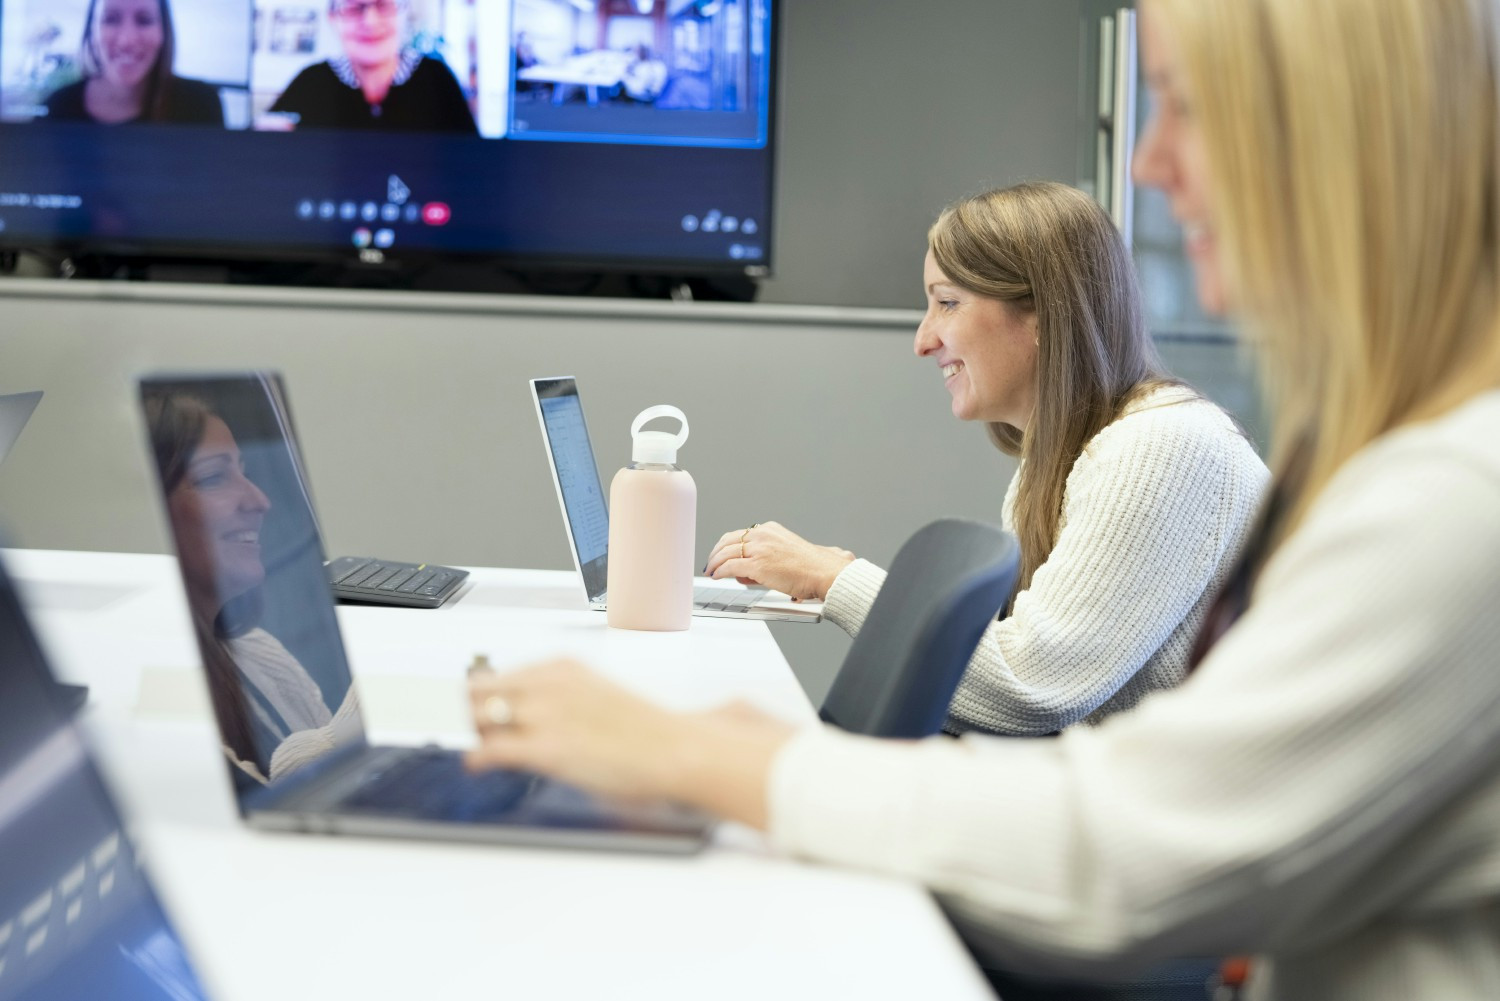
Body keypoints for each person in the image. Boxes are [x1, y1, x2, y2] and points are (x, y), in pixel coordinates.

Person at [465, 0, 1500, 995]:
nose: (1147, 160)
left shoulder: (1448, 499)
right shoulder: (1378, 461)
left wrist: (713, 750)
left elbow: (1126, 833)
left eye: (1188, 105)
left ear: (1326, 126)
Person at [707, 181, 1267, 735]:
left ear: (1046, 315)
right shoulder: (1056, 466)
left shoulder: (1164, 447)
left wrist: (833, 578)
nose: (923, 341)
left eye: (948, 303)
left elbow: (1028, 687)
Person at [146, 390, 360, 786]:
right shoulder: (153, 689)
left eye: (245, 473)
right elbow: (255, 798)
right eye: (213, 478)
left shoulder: (258, 653)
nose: (259, 500)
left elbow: (336, 785)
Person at [268, 0, 477, 133]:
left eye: (383, 5)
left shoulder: (436, 78)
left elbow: (473, 162)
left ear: (404, 11)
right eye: (353, 8)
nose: (370, 21)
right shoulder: (311, 81)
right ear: (333, 18)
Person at [43, 0, 223, 126]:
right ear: (92, 30)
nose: (126, 41)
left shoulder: (201, 105)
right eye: (110, 19)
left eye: (144, 20)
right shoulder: (60, 107)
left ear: (164, 31)